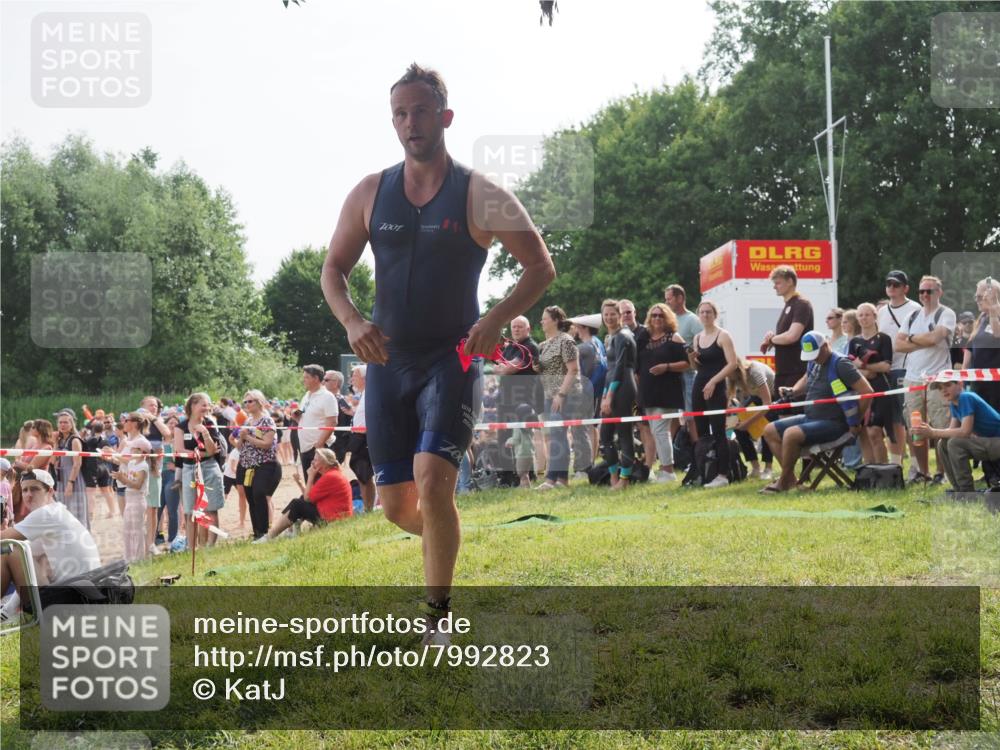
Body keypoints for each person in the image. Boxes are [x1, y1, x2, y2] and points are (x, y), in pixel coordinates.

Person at [320, 63, 554, 637]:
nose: (410, 123)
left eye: (420, 111)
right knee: (397, 507)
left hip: (454, 355)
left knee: (432, 479)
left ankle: (437, 617)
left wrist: (495, 319)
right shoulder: (370, 192)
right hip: (387, 361)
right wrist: (352, 321)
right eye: (400, 113)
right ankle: (445, 539)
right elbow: (333, 270)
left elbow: (540, 266)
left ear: (445, 117)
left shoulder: (478, 192)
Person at [761, 332, 873, 494]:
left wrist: (855, 421)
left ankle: (783, 482)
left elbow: (867, 392)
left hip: (835, 423)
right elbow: (807, 378)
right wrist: (793, 390)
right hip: (811, 418)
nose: (813, 359)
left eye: (816, 354)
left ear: (825, 346)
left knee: (791, 434)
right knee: (769, 430)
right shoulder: (814, 362)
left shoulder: (841, 364)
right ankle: (790, 479)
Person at [1, 469, 102, 623]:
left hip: (70, 600)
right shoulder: (57, 512)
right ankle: (7, 612)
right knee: (25, 553)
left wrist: (4, 529)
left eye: (34, 489)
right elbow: (27, 560)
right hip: (82, 598)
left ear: (50, 491)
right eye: (25, 490)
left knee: (10, 550)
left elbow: (5, 540)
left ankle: (9, 613)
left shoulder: (47, 513)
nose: (28, 495)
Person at [894, 275, 957, 483]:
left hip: (939, 378)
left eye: (929, 291)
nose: (924, 295)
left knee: (941, 426)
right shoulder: (912, 316)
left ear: (939, 292)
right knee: (916, 429)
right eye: (921, 291)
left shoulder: (946, 313)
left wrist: (912, 339)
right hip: (912, 379)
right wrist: (923, 340)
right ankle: (923, 472)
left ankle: (942, 472)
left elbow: (935, 338)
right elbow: (898, 345)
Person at [913, 379, 1000, 494]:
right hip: (991, 442)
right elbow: (951, 431)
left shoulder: (965, 397)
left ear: (960, 384)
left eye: (947, 385)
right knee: (943, 443)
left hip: (996, 442)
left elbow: (965, 431)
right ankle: (958, 489)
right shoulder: (954, 403)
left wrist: (933, 432)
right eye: (940, 388)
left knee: (955, 443)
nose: (943, 390)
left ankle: (967, 492)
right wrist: (926, 431)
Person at [636, 303, 689, 482]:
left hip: (667, 393)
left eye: (660, 315)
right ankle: (662, 469)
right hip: (647, 392)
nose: (657, 318)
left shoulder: (674, 338)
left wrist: (666, 367)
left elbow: (686, 364)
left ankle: (668, 471)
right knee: (654, 431)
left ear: (667, 318)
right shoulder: (644, 338)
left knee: (660, 431)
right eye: (654, 315)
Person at [532, 305, 584, 489]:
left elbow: (573, 369)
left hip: (565, 395)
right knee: (556, 436)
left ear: (555, 321)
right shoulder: (544, 345)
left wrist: (561, 395)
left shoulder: (566, 341)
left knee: (557, 436)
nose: (541, 321)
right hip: (549, 396)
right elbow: (546, 369)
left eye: (545, 318)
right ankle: (561, 480)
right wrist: (538, 367)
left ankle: (551, 479)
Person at [689, 300, 739, 488]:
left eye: (708, 312)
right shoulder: (697, 338)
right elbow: (697, 367)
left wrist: (714, 381)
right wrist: (691, 359)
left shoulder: (723, 335)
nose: (705, 315)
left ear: (715, 314)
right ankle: (705, 470)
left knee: (719, 431)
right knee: (701, 431)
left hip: (716, 386)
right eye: (702, 312)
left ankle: (723, 474)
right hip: (699, 385)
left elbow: (732, 363)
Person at [255, 449, 353, 543]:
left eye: (315, 460)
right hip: (335, 516)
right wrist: (301, 483)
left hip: (333, 519)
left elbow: (308, 498)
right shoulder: (333, 474)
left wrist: (311, 476)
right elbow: (309, 497)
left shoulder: (330, 476)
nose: (312, 462)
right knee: (300, 501)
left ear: (325, 463)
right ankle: (290, 531)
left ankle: (270, 536)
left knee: (297, 504)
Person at [850, 302, 904, 464]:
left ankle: (884, 470)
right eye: (860, 315)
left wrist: (863, 365)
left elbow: (886, 366)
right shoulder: (854, 342)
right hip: (861, 390)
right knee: (865, 433)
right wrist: (867, 371)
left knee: (876, 431)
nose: (863, 318)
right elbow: (850, 367)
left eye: (867, 314)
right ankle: (870, 469)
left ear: (875, 316)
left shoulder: (884, 339)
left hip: (881, 389)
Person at [877, 269, 921, 466]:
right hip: (887, 370)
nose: (892, 288)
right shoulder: (881, 312)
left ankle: (917, 466)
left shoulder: (915, 308)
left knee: (911, 419)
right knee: (893, 421)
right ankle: (896, 465)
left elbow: (920, 339)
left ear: (906, 288)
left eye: (896, 285)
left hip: (909, 369)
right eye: (889, 284)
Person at [173, 393, 226, 548]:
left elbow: (213, 450)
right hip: (189, 469)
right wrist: (205, 453)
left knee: (211, 509)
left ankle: (210, 546)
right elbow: (180, 451)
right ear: (193, 405)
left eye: (208, 405)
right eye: (204, 404)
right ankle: (191, 547)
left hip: (209, 468)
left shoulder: (210, 423)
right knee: (190, 511)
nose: (207, 408)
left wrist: (205, 433)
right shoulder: (181, 426)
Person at [495, 316, 541, 481]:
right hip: (505, 399)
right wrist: (504, 367)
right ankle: (508, 477)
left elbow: (509, 369)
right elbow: (496, 367)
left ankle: (528, 475)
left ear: (528, 329)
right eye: (514, 326)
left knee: (523, 438)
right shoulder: (510, 347)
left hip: (523, 400)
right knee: (503, 437)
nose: (516, 329)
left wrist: (504, 368)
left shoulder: (530, 347)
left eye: (520, 326)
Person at [599, 299, 638, 489]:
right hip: (612, 386)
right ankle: (614, 477)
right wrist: (604, 394)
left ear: (619, 315)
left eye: (612, 314)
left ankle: (625, 479)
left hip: (624, 387)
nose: (609, 318)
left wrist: (610, 396)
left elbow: (620, 368)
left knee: (624, 434)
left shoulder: (624, 335)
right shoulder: (611, 337)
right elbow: (610, 370)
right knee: (605, 435)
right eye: (605, 314)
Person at [236, 390, 282, 540]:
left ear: (259, 402)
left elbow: (267, 444)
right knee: (250, 498)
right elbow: (239, 447)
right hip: (247, 465)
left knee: (259, 493)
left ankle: (263, 532)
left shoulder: (267, 421)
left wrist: (248, 437)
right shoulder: (247, 421)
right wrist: (241, 438)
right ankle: (257, 533)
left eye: (250, 401)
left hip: (265, 464)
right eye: (245, 402)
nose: (247, 404)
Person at [761, 265, 814, 391]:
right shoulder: (789, 305)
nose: (774, 287)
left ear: (790, 281)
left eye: (778, 283)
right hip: (783, 371)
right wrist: (773, 338)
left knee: (793, 404)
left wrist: (772, 339)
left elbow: (792, 336)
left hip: (797, 371)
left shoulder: (801, 304)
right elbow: (785, 336)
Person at [620, 299, 657, 474]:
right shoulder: (618, 334)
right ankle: (633, 466)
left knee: (645, 426)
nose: (626, 315)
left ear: (635, 313)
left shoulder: (645, 332)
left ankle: (649, 467)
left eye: (629, 312)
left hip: (644, 387)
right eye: (623, 313)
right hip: (625, 388)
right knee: (628, 427)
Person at [727, 357, 776, 480]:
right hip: (756, 398)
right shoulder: (731, 377)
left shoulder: (755, 372)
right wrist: (733, 419)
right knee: (738, 428)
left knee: (766, 429)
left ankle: (768, 468)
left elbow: (767, 403)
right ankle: (755, 467)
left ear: (736, 369)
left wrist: (748, 423)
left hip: (772, 398)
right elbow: (731, 401)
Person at [665, 284, 702, 441]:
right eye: (666, 299)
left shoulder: (693, 320)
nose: (667, 303)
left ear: (680, 298)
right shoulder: (669, 320)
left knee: (690, 415)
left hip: (688, 374)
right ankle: (675, 449)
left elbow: (702, 345)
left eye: (669, 299)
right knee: (672, 414)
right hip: (671, 375)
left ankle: (697, 449)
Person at [111, 435, 151, 563]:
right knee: (127, 529)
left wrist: (122, 479)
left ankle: (138, 559)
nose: (131, 451)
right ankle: (128, 558)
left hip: (138, 500)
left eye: (133, 448)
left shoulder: (143, 466)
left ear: (141, 451)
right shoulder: (132, 463)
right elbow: (129, 479)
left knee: (137, 530)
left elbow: (137, 485)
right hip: (129, 498)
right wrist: (120, 476)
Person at [963, 277, 1000, 410]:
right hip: (977, 383)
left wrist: (994, 309)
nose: (977, 300)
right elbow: (970, 349)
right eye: (976, 297)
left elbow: (997, 333)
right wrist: (963, 379)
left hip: (996, 386)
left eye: (980, 297)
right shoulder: (982, 317)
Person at [297, 364, 339, 474]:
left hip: (319, 448)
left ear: (316, 378)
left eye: (306, 377)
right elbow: (305, 420)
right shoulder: (306, 395)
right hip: (305, 448)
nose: (303, 380)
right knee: (310, 482)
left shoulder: (327, 396)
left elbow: (332, 422)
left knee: (322, 482)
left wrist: (320, 444)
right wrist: (296, 417)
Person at [52, 409, 89, 530]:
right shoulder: (60, 441)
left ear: (71, 424)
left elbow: (77, 463)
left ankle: (80, 535)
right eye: (60, 422)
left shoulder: (75, 440)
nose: (62, 425)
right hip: (61, 477)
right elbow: (53, 461)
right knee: (63, 509)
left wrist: (70, 482)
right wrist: (54, 443)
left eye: (65, 422)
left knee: (75, 509)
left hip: (73, 478)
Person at [347, 365, 376, 511]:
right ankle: (367, 507)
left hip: (366, 438)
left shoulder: (372, 392)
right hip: (359, 437)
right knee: (361, 474)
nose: (352, 379)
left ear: (364, 378)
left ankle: (369, 508)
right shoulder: (364, 393)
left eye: (355, 376)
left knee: (365, 475)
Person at [324, 370, 355, 463]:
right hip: (320, 441)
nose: (323, 382)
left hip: (336, 444)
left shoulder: (342, 401)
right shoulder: (316, 398)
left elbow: (349, 423)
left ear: (335, 383)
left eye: (326, 380)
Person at [505, 403, 538, 489]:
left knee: (521, 473)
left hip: (522, 454)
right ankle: (525, 486)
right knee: (526, 473)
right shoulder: (530, 427)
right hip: (530, 454)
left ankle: (524, 487)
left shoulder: (518, 427)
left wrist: (508, 441)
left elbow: (516, 439)